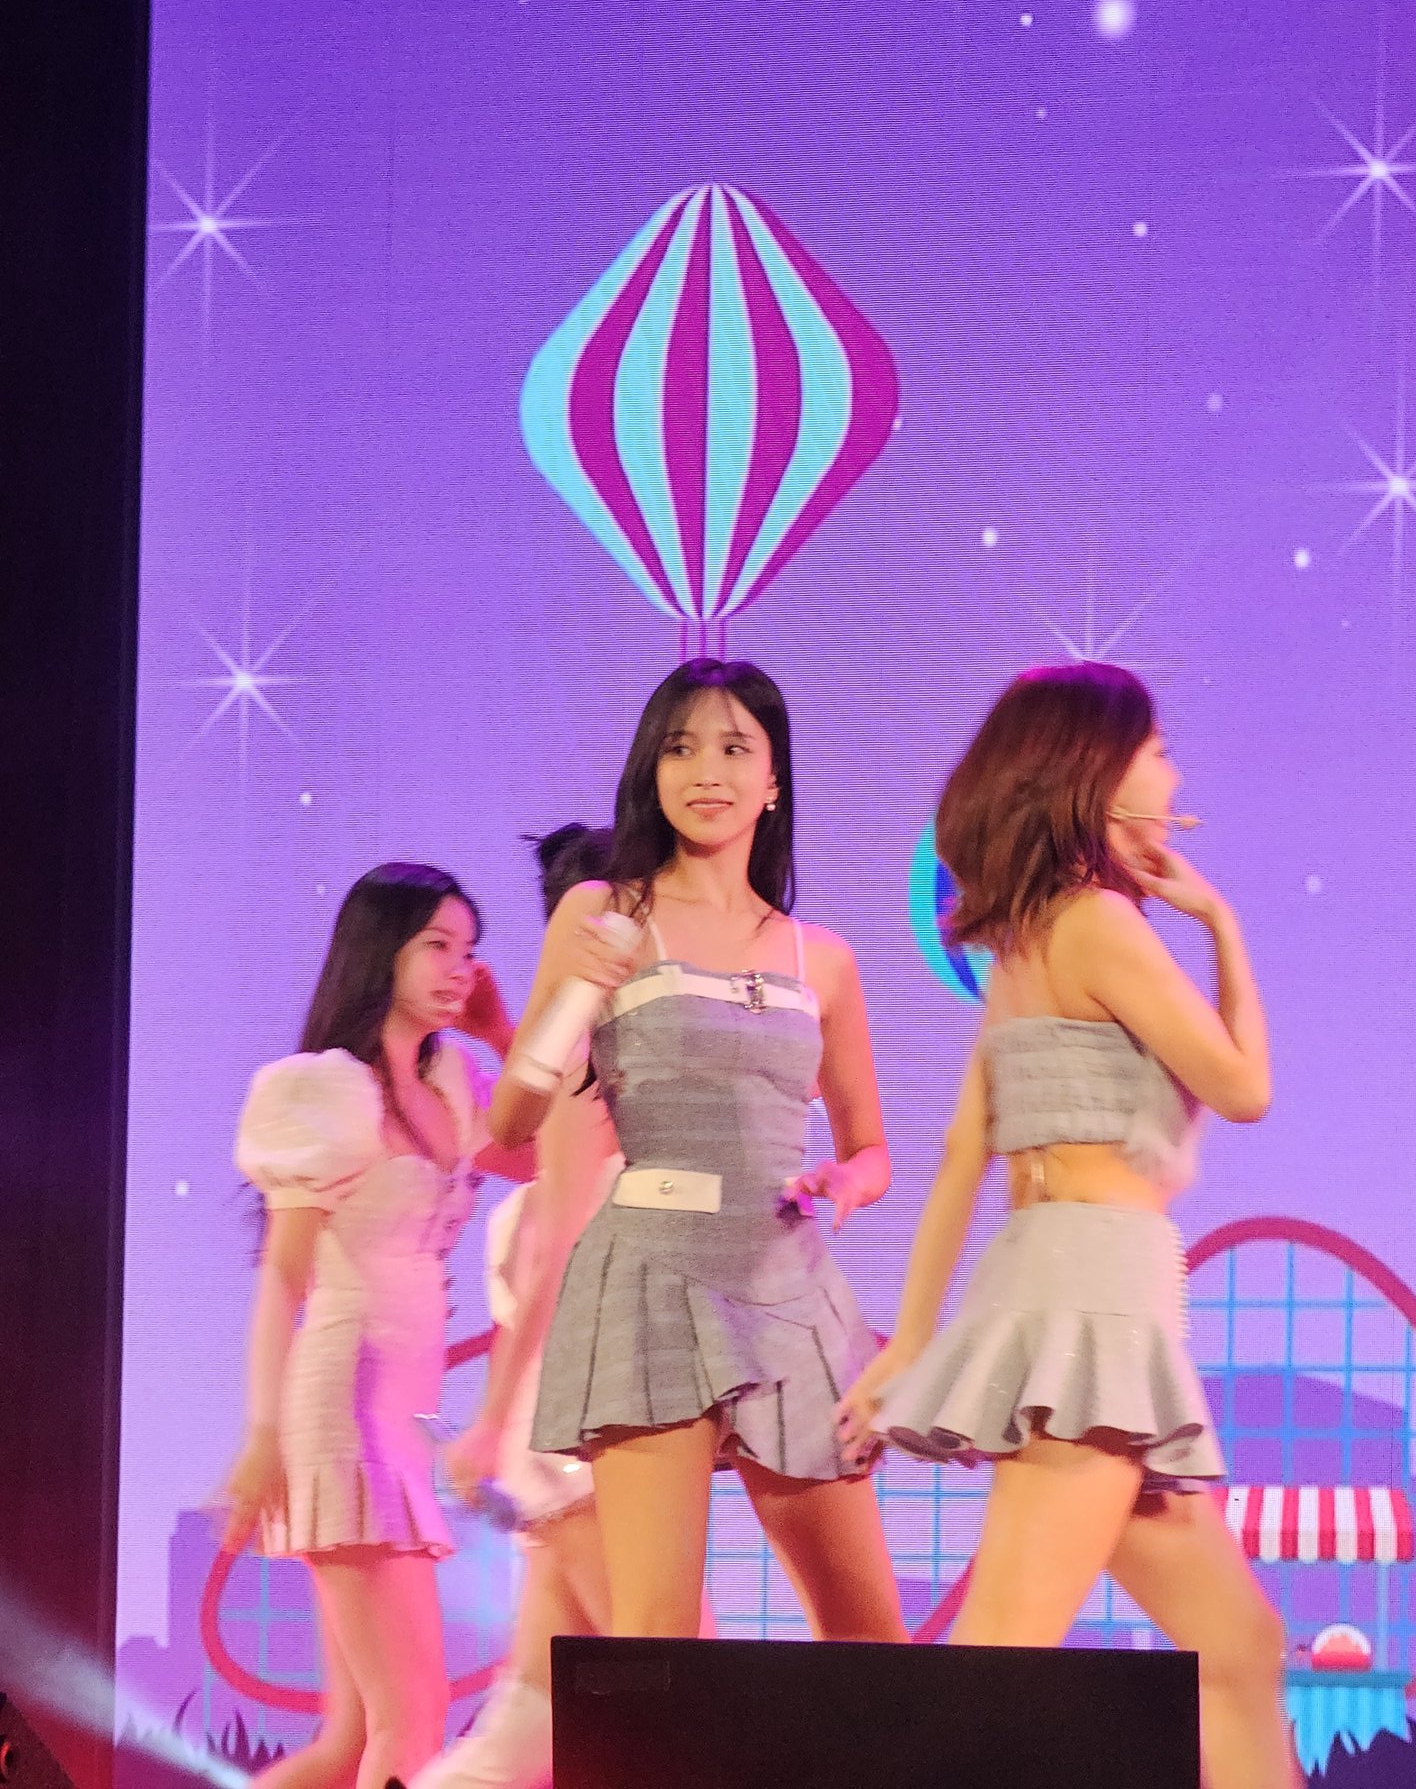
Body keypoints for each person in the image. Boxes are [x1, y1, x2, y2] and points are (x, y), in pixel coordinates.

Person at [837, 663, 1298, 1789]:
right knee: (1001, 1660)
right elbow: (1244, 1087)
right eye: (1157, 750)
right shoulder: (1097, 924)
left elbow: (966, 1150)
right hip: (1093, 1302)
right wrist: (1221, 921)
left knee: (1240, 1647)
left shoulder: (1030, 937)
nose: (1174, 773)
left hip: (1076, 1286)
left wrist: (913, 1339)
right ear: (1098, 771)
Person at [489, 658, 906, 1646]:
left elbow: (872, 1146)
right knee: (658, 1639)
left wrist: (845, 1181)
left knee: (872, 1642)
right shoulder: (605, 913)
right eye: (680, 748)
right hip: (651, 1272)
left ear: (774, 779)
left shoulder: (821, 955)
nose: (706, 771)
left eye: (733, 748)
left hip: (786, 1280)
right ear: (652, 770)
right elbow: (508, 1122)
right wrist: (570, 997)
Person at [224, 863, 520, 1789]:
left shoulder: (457, 1080)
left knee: (350, 1744)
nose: (459, 967)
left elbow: (559, 1151)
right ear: (379, 950)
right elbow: (283, 1279)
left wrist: (501, 1031)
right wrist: (263, 1437)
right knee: (410, 1721)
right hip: (342, 1413)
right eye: (437, 945)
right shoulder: (327, 1089)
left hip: (398, 1423)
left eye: (469, 949)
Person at [413, 825, 621, 1789]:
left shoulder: (609, 1058)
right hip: (583, 1430)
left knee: (524, 1731)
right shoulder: (592, 1060)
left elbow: (548, 1147)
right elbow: (555, 1238)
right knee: (683, 1693)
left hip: (574, 1423)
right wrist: (494, 1421)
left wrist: (500, 1032)